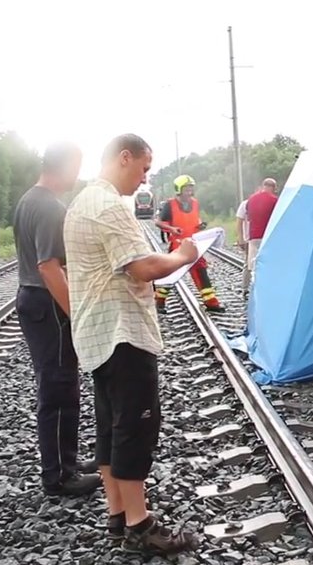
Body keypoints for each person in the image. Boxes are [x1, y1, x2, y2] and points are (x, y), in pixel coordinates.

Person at [63, 134, 199, 555]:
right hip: (122, 333)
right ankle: (142, 528)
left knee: (110, 428)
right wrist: (184, 256)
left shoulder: (82, 202)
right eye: (143, 167)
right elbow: (142, 268)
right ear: (125, 157)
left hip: (98, 334)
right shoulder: (107, 206)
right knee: (135, 428)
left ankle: (118, 517)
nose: (145, 178)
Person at [12, 141, 102, 497]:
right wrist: (75, 313)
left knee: (57, 384)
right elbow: (48, 267)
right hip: (47, 303)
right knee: (59, 387)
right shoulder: (49, 207)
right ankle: (59, 477)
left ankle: (67, 461)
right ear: (63, 166)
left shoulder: (27, 199)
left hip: (32, 300)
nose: (78, 175)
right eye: (76, 167)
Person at [153, 175, 225, 313]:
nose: (189, 192)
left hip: (194, 243)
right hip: (178, 245)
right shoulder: (170, 205)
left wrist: (200, 225)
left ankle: (211, 303)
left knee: (200, 270)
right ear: (179, 189)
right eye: (186, 189)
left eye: (191, 189)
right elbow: (158, 222)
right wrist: (172, 229)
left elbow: (195, 219)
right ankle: (159, 301)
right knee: (170, 272)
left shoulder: (195, 203)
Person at [243, 177, 278, 290]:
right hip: (268, 236)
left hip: (253, 236)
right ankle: (265, 288)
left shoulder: (251, 199)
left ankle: (248, 288)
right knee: (268, 264)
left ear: (263, 186)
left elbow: (247, 216)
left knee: (252, 264)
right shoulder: (274, 200)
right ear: (273, 187)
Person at [235, 197, 251, 292]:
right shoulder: (245, 204)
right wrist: (240, 238)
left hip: (257, 238)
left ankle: (246, 287)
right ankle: (245, 287)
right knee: (248, 263)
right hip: (248, 238)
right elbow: (239, 221)